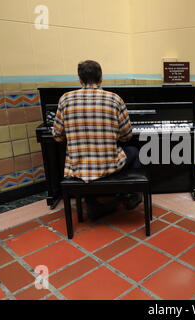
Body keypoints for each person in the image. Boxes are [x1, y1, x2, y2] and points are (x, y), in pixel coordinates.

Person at [52, 60, 142, 220]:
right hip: (109, 164)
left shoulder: (65, 99)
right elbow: (127, 135)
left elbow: (57, 136)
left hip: (78, 167)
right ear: (101, 79)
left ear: (80, 80)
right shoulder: (114, 99)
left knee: (87, 164)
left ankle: (95, 204)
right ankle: (128, 195)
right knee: (134, 151)